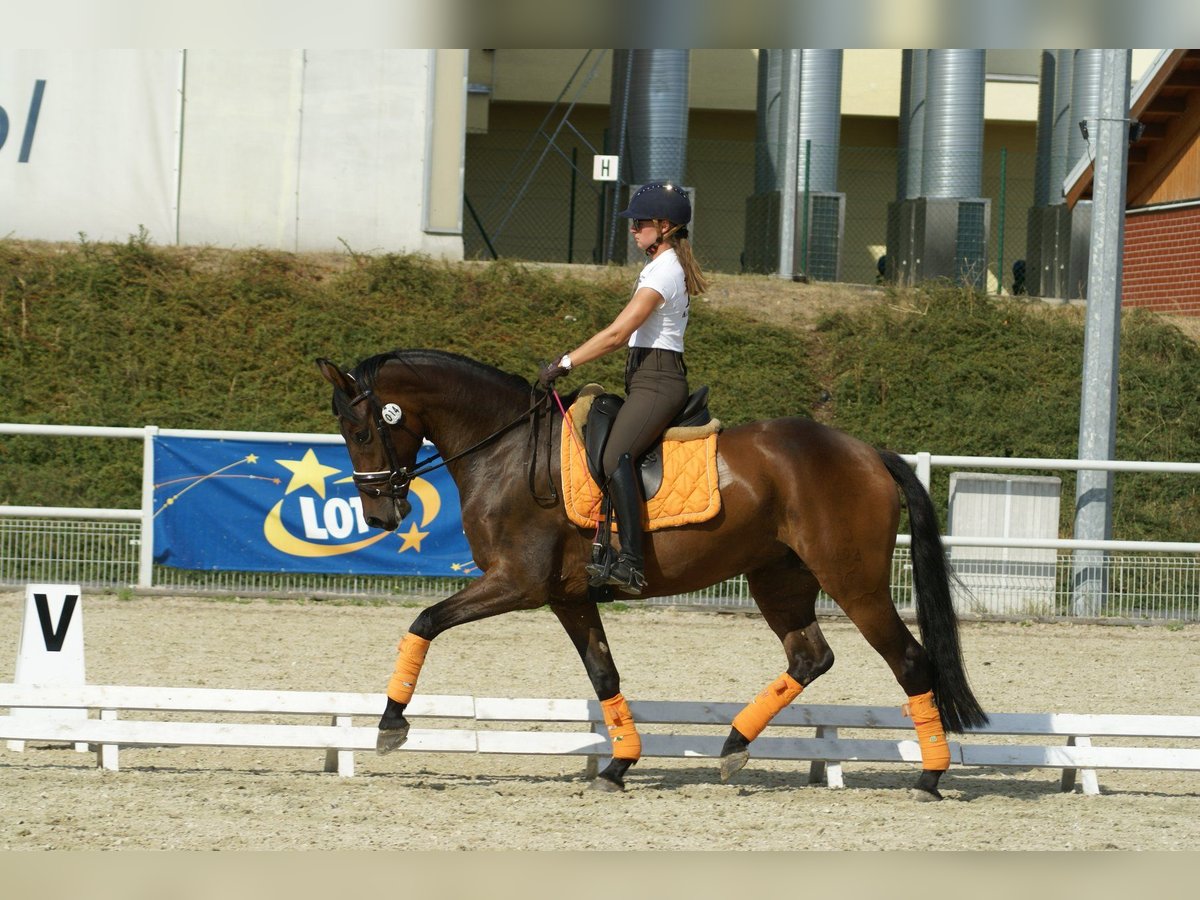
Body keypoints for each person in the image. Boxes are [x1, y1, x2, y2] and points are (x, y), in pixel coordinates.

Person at [536, 182, 709, 595]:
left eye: (639, 223)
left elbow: (617, 335)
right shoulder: (659, 265)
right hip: (645, 378)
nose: (633, 230)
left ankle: (632, 561)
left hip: (659, 381)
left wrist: (566, 362)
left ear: (664, 226)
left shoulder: (665, 271)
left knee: (617, 456)